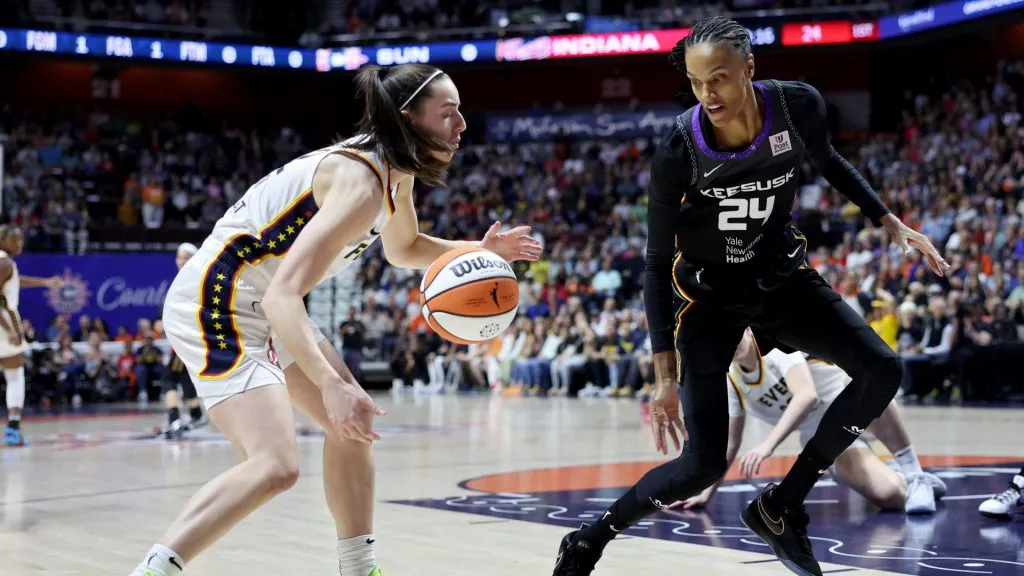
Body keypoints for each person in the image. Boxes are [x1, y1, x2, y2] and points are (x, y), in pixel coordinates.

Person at [552, 16, 949, 576]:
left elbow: (830, 161)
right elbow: (655, 263)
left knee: (882, 369)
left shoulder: (796, 105)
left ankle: (780, 505)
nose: (707, 94)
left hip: (782, 280)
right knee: (700, 465)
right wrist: (663, 377)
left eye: (718, 78)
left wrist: (890, 222)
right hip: (710, 303)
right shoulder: (679, 148)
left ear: (749, 68)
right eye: (696, 82)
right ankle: (588, 540)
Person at [128, 63, 542, 576]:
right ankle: (153, 571)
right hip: (218, 299)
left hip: (264, 301)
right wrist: (330, 384)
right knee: (276, 465)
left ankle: (358, 569)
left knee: (353, 425)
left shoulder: (394, 172)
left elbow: (404, 247)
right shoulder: (360, 183)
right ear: (408, 117)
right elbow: (282, 296)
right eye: (448, 113)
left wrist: (477, 249)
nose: (462, 124)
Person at [676, 328, 947, 515]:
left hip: (853, 406)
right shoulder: (731, 381)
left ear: (747, 330)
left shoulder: (773, 346)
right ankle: (909, 480)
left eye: (733, 335)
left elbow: (806, 395)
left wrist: (768, 445)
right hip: (826, 437)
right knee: (890, 496)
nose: (730, 344)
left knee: (867, 382)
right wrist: (706, 491)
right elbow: (730, 442)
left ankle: (914, 472)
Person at [0, 226, 62, 447]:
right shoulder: (4, 262)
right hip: (4, 322)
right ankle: (13, 429)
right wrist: (10, 330)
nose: (20, 243)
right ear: (2, 239)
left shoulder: (6, 264)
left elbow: (15, 280)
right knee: (15, 376)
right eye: (14, 239)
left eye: (21, 239)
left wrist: (44, 282)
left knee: (14, 375)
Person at [160, 242, 208, 439]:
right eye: (179, 257)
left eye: (186, 257)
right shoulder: (184, 279)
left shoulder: (195, 279)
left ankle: (174, 419)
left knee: (169, 377)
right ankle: (196, 414)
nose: (181, 261)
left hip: (189, 336)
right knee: (183, 377)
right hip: (184, 336)